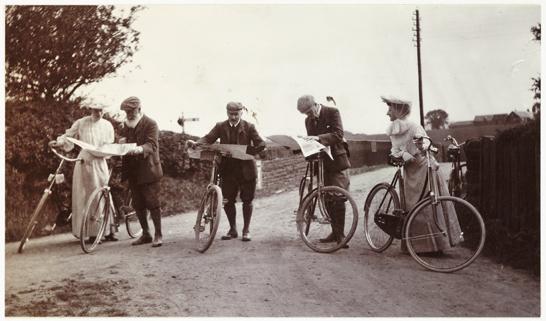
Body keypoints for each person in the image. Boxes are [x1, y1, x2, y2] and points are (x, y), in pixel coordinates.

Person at [382, 95, 462, 252]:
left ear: (398, 110)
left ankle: (436, 246)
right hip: (409, 172)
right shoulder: (394, 129)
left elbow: (425, 143)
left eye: (390, 109)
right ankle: (417, 247)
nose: (387, 112)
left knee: (427, 205)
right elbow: (395, 149)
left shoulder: (413, 126)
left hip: (424, 169)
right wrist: (401, 154)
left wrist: (423, 146)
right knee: (411, 207)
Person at [188, 102, 266, 242]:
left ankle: (246, 230)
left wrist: (259, 149)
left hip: (246, 170)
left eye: (236, 114)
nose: (234, 117)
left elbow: (259, 142)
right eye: (231, 114)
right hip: (228, 170)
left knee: (247, 200)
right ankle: (233, 229)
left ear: (241, 113)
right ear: (227, 113)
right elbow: (208, 138)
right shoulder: (220, 126)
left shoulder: (249, 127)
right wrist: (197, 143)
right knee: (228, 201)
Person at [49, 103, 116, 243]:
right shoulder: (81, 123)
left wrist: (103, 149)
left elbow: (110, 143)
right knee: (85, 195)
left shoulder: (107, 125)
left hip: (100, 161)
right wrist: (58, 142)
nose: (99, 113)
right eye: (96, 110)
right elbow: (68, 136)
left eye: (101, 110)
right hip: (84, 161)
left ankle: (109, 230)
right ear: (90, 109)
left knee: (103, 193)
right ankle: (92, 233)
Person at [297, 95, 351, 248]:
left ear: (315, 104)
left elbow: (338, 134)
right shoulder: (308, 120)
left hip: (337, 161)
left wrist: (318, 138)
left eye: (309, 112)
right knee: (326, 197)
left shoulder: (332, 112)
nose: (309, 116)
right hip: (322, 164)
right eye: (306, 114)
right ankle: (335, 232)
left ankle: (341, 236)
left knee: (338, 197)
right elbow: (311, 142)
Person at [119, 96, 164, 248]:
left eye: (131, 111)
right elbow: (125, 140)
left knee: (153, 202)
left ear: (139, 109)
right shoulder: (127, 125)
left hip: (149, 169)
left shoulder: (150, 124)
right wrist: (121, 142)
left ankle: (158, 234)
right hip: (133, 170)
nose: (129, 114)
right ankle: (146, 234)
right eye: (126, 112)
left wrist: (139, 149)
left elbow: (152, 145)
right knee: (138, 203)